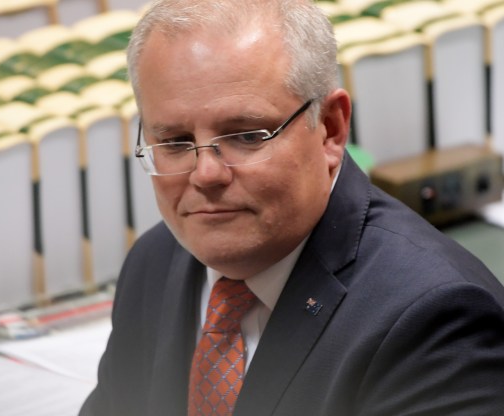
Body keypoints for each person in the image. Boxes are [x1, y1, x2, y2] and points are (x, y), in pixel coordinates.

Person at [79, 0, 504, 415]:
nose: (205, 174)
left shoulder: (435, 318)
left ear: (330, 130)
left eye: (246, 136)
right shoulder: (154, 262)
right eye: (174, 142)